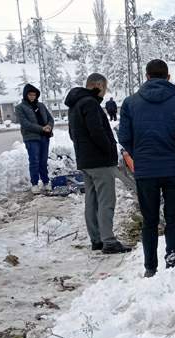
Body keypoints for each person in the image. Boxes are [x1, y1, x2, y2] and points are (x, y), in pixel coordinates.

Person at [118, 59, 175, 278]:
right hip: (173, 169)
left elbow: (124, 137)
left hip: (146, 171)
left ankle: (150, 267)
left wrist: (140, 156)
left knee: (150, 220)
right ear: (168, 77)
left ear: (147, 76)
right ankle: (171, 262)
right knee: (173, 218)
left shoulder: (130, 103)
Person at [65, 73, 131, 255]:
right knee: (106, 201)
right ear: (98, 85)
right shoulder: (90, 103)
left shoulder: (75, 104)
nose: (105, 91)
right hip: (99, 161)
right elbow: (97, 132)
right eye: (105, 87)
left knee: (92, 200)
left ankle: (96, 239)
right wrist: (109, 150)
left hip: (85, 160)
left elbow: (73, 134)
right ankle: (109, 241)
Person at [16, 84, 54, 194]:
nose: (32, 96)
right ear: (25, 95)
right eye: (30, 94)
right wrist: (42, 128)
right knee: (34, 161)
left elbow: (50, 118)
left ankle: (46, 182)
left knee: (43, 160)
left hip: (44, 136)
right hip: (31, 138)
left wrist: (49, 126)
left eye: (34, 94)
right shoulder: (20, 108)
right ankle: (34, 183)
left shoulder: (41, 105)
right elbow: (25, 124)